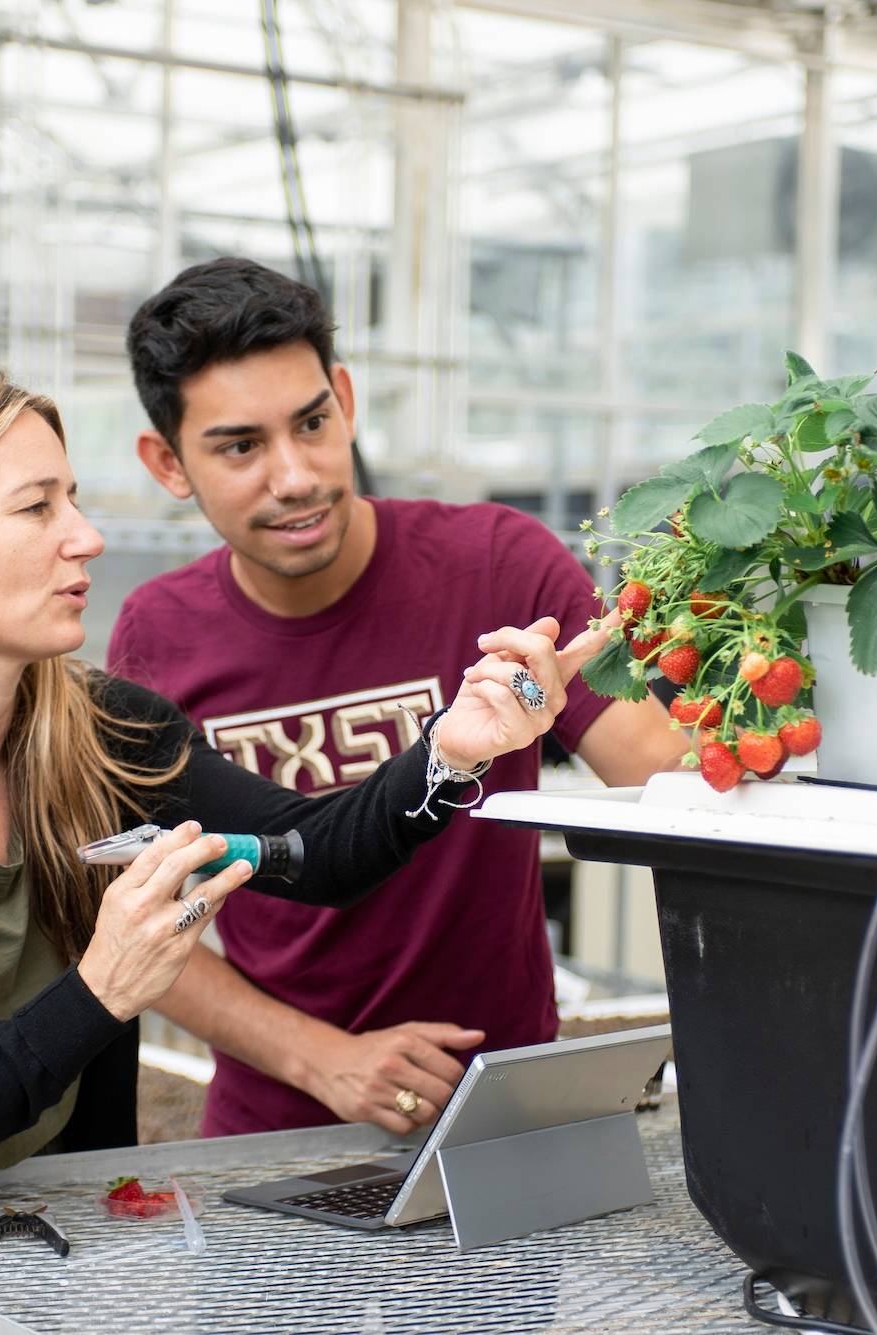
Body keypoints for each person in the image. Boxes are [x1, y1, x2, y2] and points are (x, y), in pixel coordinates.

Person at [0, 357, 601, 1335]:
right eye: (36, 509)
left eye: (75, 500)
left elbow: (315, 851)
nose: (83, 538)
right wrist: (103, 989)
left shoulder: (106, 736)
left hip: (32, 1269)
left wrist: (449, 752)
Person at [108, 258, 686, 1141]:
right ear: (167, 461)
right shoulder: (158, 634)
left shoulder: (498, 565)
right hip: (274, 1142)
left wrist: (762, 657)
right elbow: (138, 915)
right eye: (240, 446)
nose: (295, 475)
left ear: (344, 398)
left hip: (509, 1116)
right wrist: (320, 1059)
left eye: (312, 422)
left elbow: (665, 778)